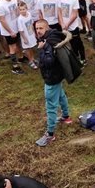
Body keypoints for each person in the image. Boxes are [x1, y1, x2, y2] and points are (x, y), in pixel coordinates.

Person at [34, 19, 73, 147]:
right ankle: (66, 117)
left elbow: (49, 61)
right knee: (61, 95)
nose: (38, 31)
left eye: (41, 28)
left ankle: (50, 134)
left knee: (51, 106)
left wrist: (42, 49)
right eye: (36, 28)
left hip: (51, 78)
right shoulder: (54, 35)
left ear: (47, 28)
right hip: (58, 76)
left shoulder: (47, 43)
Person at [0, 0, 25, 75]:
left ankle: (21, 58)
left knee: (18, 44)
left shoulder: (14, 1)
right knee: (12, 48)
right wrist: (10, 32)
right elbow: (2, 20)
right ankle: (15, 66)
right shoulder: (0, 5)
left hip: (16, 27)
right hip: (9, 30)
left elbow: (16, 12)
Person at [57, 0, 86, 64]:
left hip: (73, 26)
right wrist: (62, 23)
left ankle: (82, 58)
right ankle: (74, 58)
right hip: (63, 25)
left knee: (76, 43)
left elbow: (74, 14)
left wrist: (67, 24)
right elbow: (59, 11)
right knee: (67, 43)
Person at [17, 2, 38, 69]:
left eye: (23, 9)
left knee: (31, 47)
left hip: (31, 34)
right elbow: (21, 30)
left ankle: (33, 58)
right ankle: (30, 61)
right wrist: (25, 39)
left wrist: (34, 32)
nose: (22, 11)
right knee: (27, 49)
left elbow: (31, 24)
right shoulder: (20, 19)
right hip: (25, 36)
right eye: (20, 10)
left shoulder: (29, 14)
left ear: (26, 9)